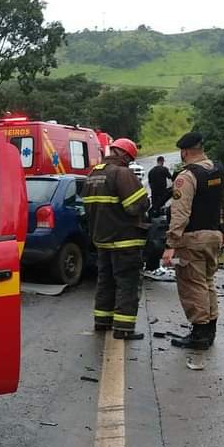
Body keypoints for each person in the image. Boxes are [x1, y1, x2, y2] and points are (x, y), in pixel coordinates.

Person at [162, 132, 224, 349]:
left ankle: (200, 334)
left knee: (192, 285)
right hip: (213, 236)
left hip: (192, 238)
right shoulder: (221, 171)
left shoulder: (186, 177)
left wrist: (170, 244)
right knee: (207, 282)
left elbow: (180, 214)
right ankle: (209, 329)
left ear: (184, 152)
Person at [83, 137, 150, 340]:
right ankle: (123, 328)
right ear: (123, 155)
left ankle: (102, 321)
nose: (129, 162)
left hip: (102, 240)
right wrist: (144, 205)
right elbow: (135, 206)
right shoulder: (122, 173)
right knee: (127, 283)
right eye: (129, 158)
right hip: (124, 240)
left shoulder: (93, 174)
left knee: (105, 282)